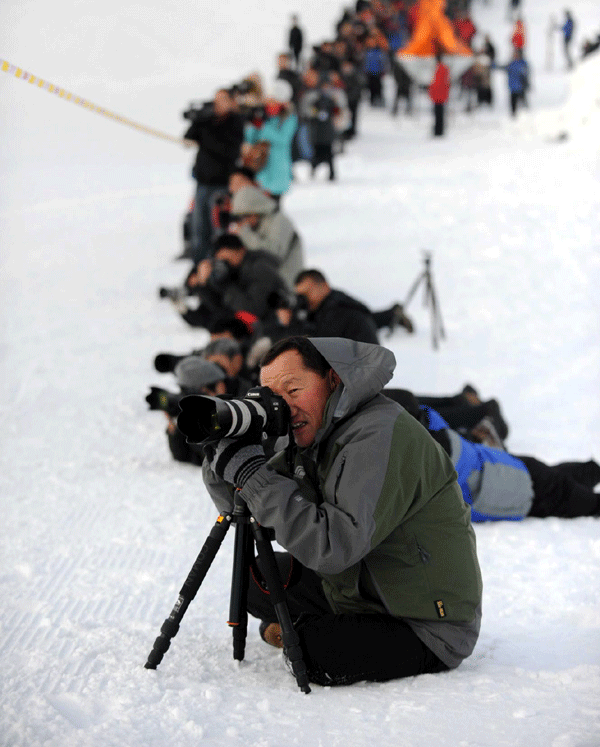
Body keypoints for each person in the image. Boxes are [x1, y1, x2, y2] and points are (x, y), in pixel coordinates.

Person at [191, 336, 483, 686]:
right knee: (254, 582)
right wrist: (221, 458)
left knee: (310, 651)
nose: (283, 406)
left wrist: (255, 475)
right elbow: (250, 512)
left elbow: (333, 548)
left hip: (425, 620)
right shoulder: (314, 432)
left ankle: (306, 631)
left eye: (293, 390)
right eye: (273, 396)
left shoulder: (377, 435)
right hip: (361, 586)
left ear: (334, 379)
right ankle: (317, 626)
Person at [416, 401, 600, 522]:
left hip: (524, 485)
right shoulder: (428, 431)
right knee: (565, 478)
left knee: (582, 499)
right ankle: (593, 471)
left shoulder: (433, 462)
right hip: (515, 470)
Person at [173, 233, 291, 334]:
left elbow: (254, 310)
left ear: (240, 250)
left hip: (274, 328)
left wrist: (225, 285)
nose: (224, 264)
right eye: (220, 261)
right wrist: (203, 284)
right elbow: (217, 311)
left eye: (225, 260)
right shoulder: (237, 271)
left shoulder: (259, 268)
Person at [184, 89, 244, 263]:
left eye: (222, 100)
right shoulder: (206, 120)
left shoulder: (235, 122)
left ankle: (218, 259)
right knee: (199, 224)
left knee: (217, 225)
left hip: (222, 184)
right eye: (215, 100)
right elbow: (188, 139)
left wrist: (206, 133)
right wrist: (198, 120)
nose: (217, 104)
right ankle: (199, 261)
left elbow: (229, 150)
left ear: (231, 103)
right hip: (202, 182)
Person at [291, 269, 414, 343]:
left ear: (325, 286)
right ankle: (392, 314)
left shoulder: (338, 310)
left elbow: (315, 342)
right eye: (300, 296)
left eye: (308, 292)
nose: (304, 300)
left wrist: (290, 323)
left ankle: (392, 315)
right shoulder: (331, 302)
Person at [229, 185, 304, 289]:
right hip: (266, 282)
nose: (244, 221)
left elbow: (273, 254)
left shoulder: (280, 221)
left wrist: (244, 233)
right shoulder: (256, 226)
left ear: (256, 210)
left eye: (246, 216)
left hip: (285, 284)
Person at [242, 81, 298, 203]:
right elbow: (250, 139)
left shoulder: (289, 118)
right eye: (269, 101)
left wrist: (264, 125)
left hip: (278, 167)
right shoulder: (262, 114)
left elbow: (283, 139)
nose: (271, 104)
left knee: (273, 205)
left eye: (274, 101)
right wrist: (253, 123)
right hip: (260, 166)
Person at [428, 52, 450, 137]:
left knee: (438, 114)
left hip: (438, 95)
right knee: (440, 113)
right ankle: (439, 130)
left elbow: (436, 83)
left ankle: (438, 130)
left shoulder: (438, 69)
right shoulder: (444, 68)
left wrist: (431, 92)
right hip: (441, 94)